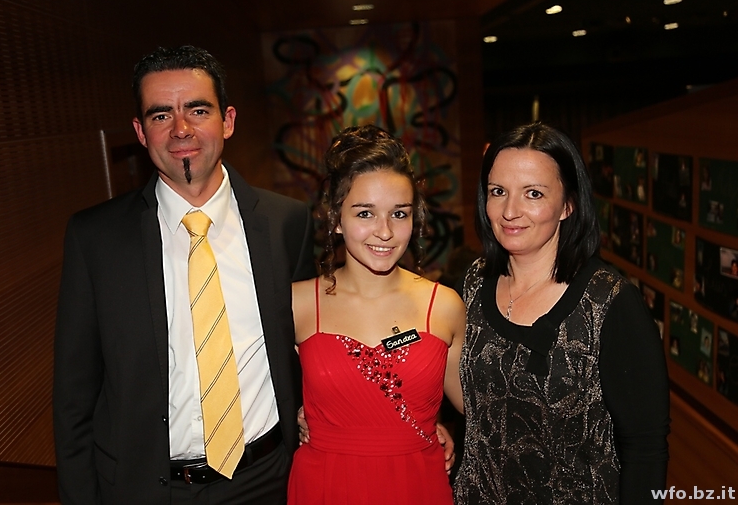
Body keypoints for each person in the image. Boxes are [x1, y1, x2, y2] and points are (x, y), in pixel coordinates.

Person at [53, 45, 317, 504]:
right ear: (141, 132)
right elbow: (74, 397)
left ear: (228, 121)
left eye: (197, 110)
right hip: (148, 491)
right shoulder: (95, 239)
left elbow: (317, 349)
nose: (180, 129)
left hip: (268, 480)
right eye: (161, 115)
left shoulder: (286, 223)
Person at [454, 122, 669, 503]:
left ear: (568, 204)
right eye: (498, 191)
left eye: (533, 193)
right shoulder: (472, 283)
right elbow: (468, 403)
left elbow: (645, 446)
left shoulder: (609, 302)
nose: (510, 211)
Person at [287, 126, 466, 504]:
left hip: (417, 485)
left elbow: (481, 409)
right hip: (325, 487)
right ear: (336, 218)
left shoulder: (444, 305)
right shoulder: (297, 303)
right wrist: (296, 417)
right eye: (365, 213)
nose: (384, 232)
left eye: (399, 214)